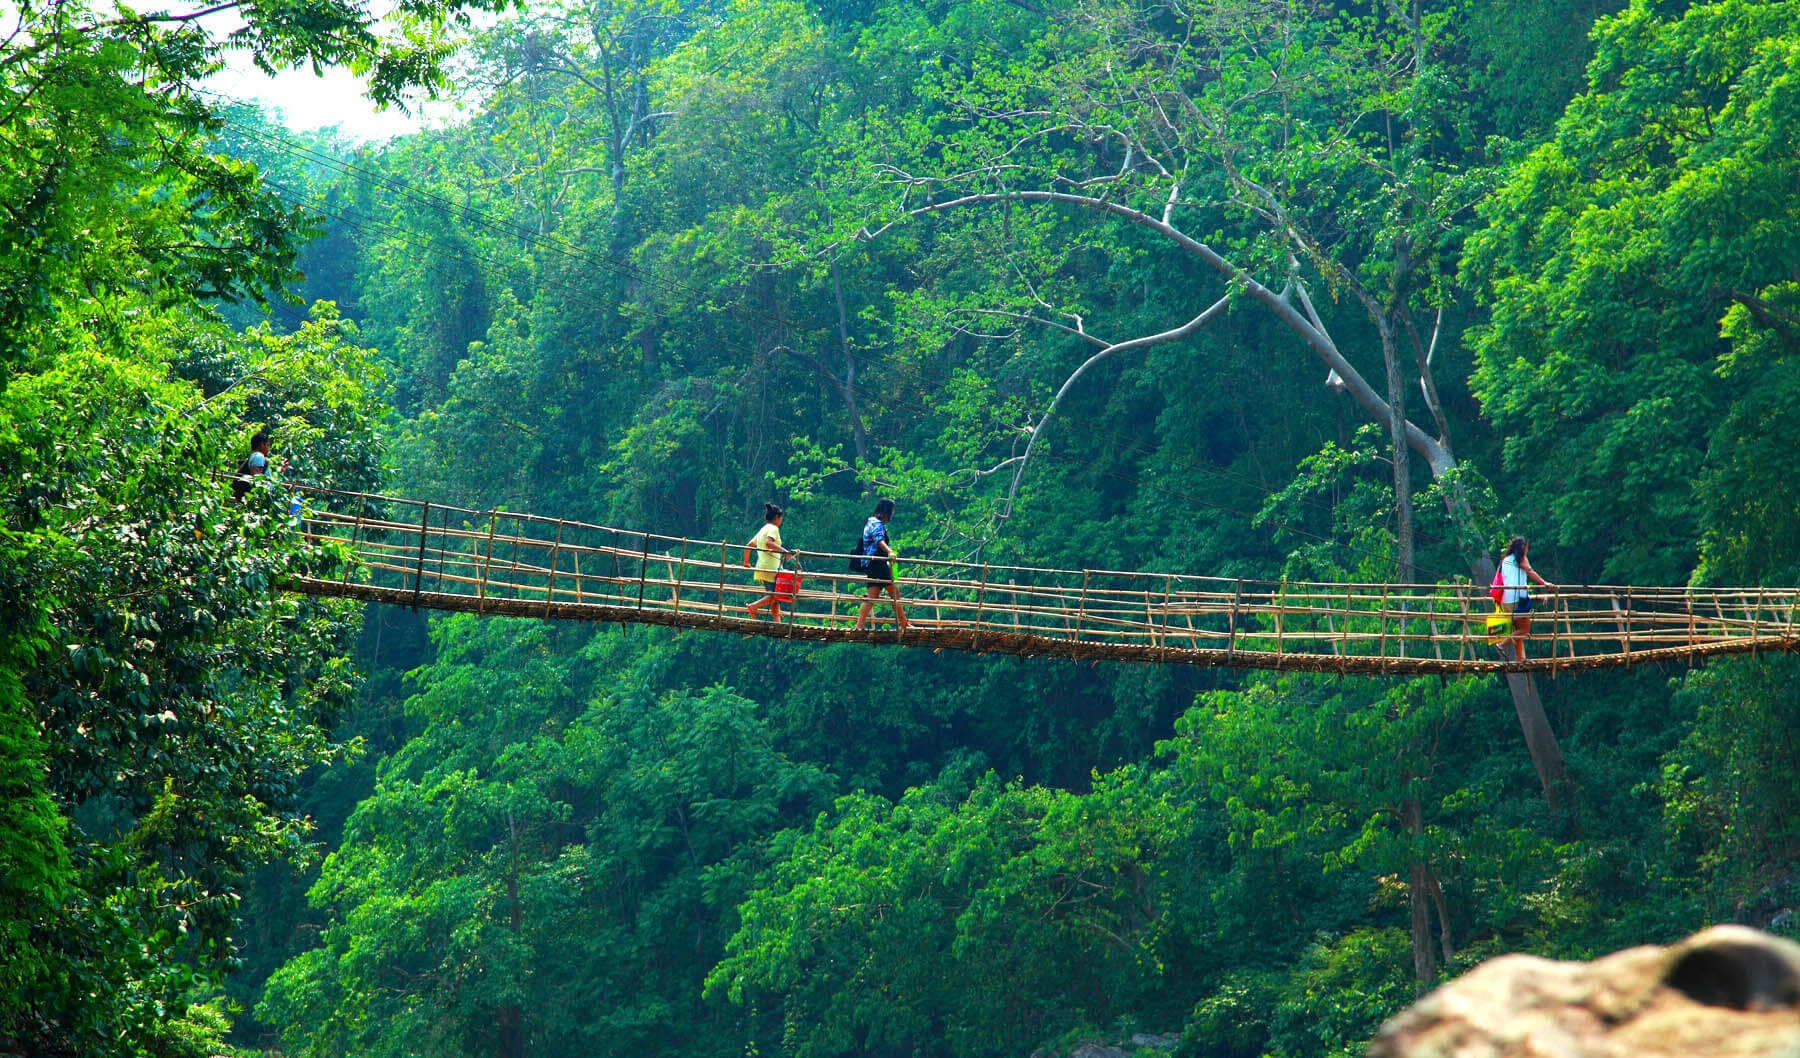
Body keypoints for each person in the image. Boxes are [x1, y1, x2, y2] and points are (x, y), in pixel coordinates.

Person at [853, 498, 909, 632]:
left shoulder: (871, 522)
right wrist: (890, 551)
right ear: (887, 511)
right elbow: (879, 540)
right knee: (894, 592)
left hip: (872, 564)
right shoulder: (876, 524)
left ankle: (859, 625)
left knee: (872, 596)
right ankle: (904, 624)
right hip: (877, 563)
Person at [1498, 536, 1555, 657]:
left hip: (1506, 601)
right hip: (1518, 600)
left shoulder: (1505, 560)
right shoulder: (1521, 559)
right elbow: (1530, 571)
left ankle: (1520, 660)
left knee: (1518, 630)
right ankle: (1501, 645)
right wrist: (1544, 583)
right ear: (1523, 548)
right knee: (1524, 629)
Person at [743, 503, 799, 622]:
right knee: (776, 595)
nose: (781, 521)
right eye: (781, 518)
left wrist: (746, 562)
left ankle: (776, 621)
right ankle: (753, 606)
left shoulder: (763, 529)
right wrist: (785, 552)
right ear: (777, 517)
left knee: (774, 595)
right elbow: (769, 543)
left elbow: (748, 546)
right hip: (770, 567)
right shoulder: (773, 528)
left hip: (763, 567)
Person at [231, 431, 272, 503]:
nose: (268, 449)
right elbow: (256, 478)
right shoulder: (258, 456)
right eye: (267, 445)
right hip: (254, 499)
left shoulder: (253, 456)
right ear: (262, 444)